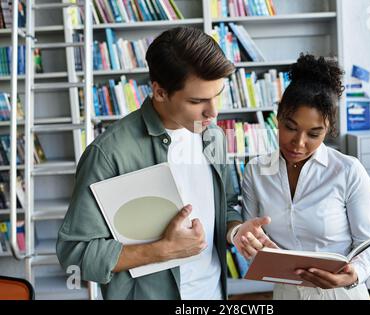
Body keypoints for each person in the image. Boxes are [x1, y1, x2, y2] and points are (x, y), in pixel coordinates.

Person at [57, 27, 243, 300]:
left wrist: (236, 231)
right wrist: (161, 251)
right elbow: (75, 254)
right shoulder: (109, 153)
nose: (213, 112)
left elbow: (225, 204)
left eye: (218, 94)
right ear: (160, 92)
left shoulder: (212, 136)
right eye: (197, 100)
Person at [227, 54, 370, 300]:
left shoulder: (349, 172)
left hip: (339, 294)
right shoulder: (256, 171)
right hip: (286, 293)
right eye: (290, 127)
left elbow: (368, 247)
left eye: (314, 134)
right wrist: (246, 241)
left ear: (328, 129)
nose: (298, 143)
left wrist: (351, 276)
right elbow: (251, 239)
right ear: (277, 117)